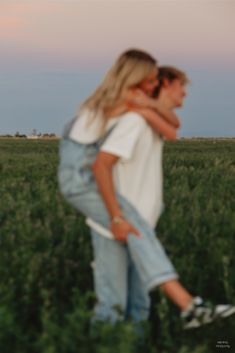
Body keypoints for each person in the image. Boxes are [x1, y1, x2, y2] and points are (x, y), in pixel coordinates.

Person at [58, 49, 235, 331]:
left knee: (137, 237)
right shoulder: (125, 102)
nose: (153, 85)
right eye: (151, 79)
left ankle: (189, 306)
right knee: (133, 226)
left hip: (84, 167)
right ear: (136, 77)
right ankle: (188, 304)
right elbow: (101, 164)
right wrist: (115, 217)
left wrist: (148, 108)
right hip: (78, 175)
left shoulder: (131, 103)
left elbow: (172, 128)